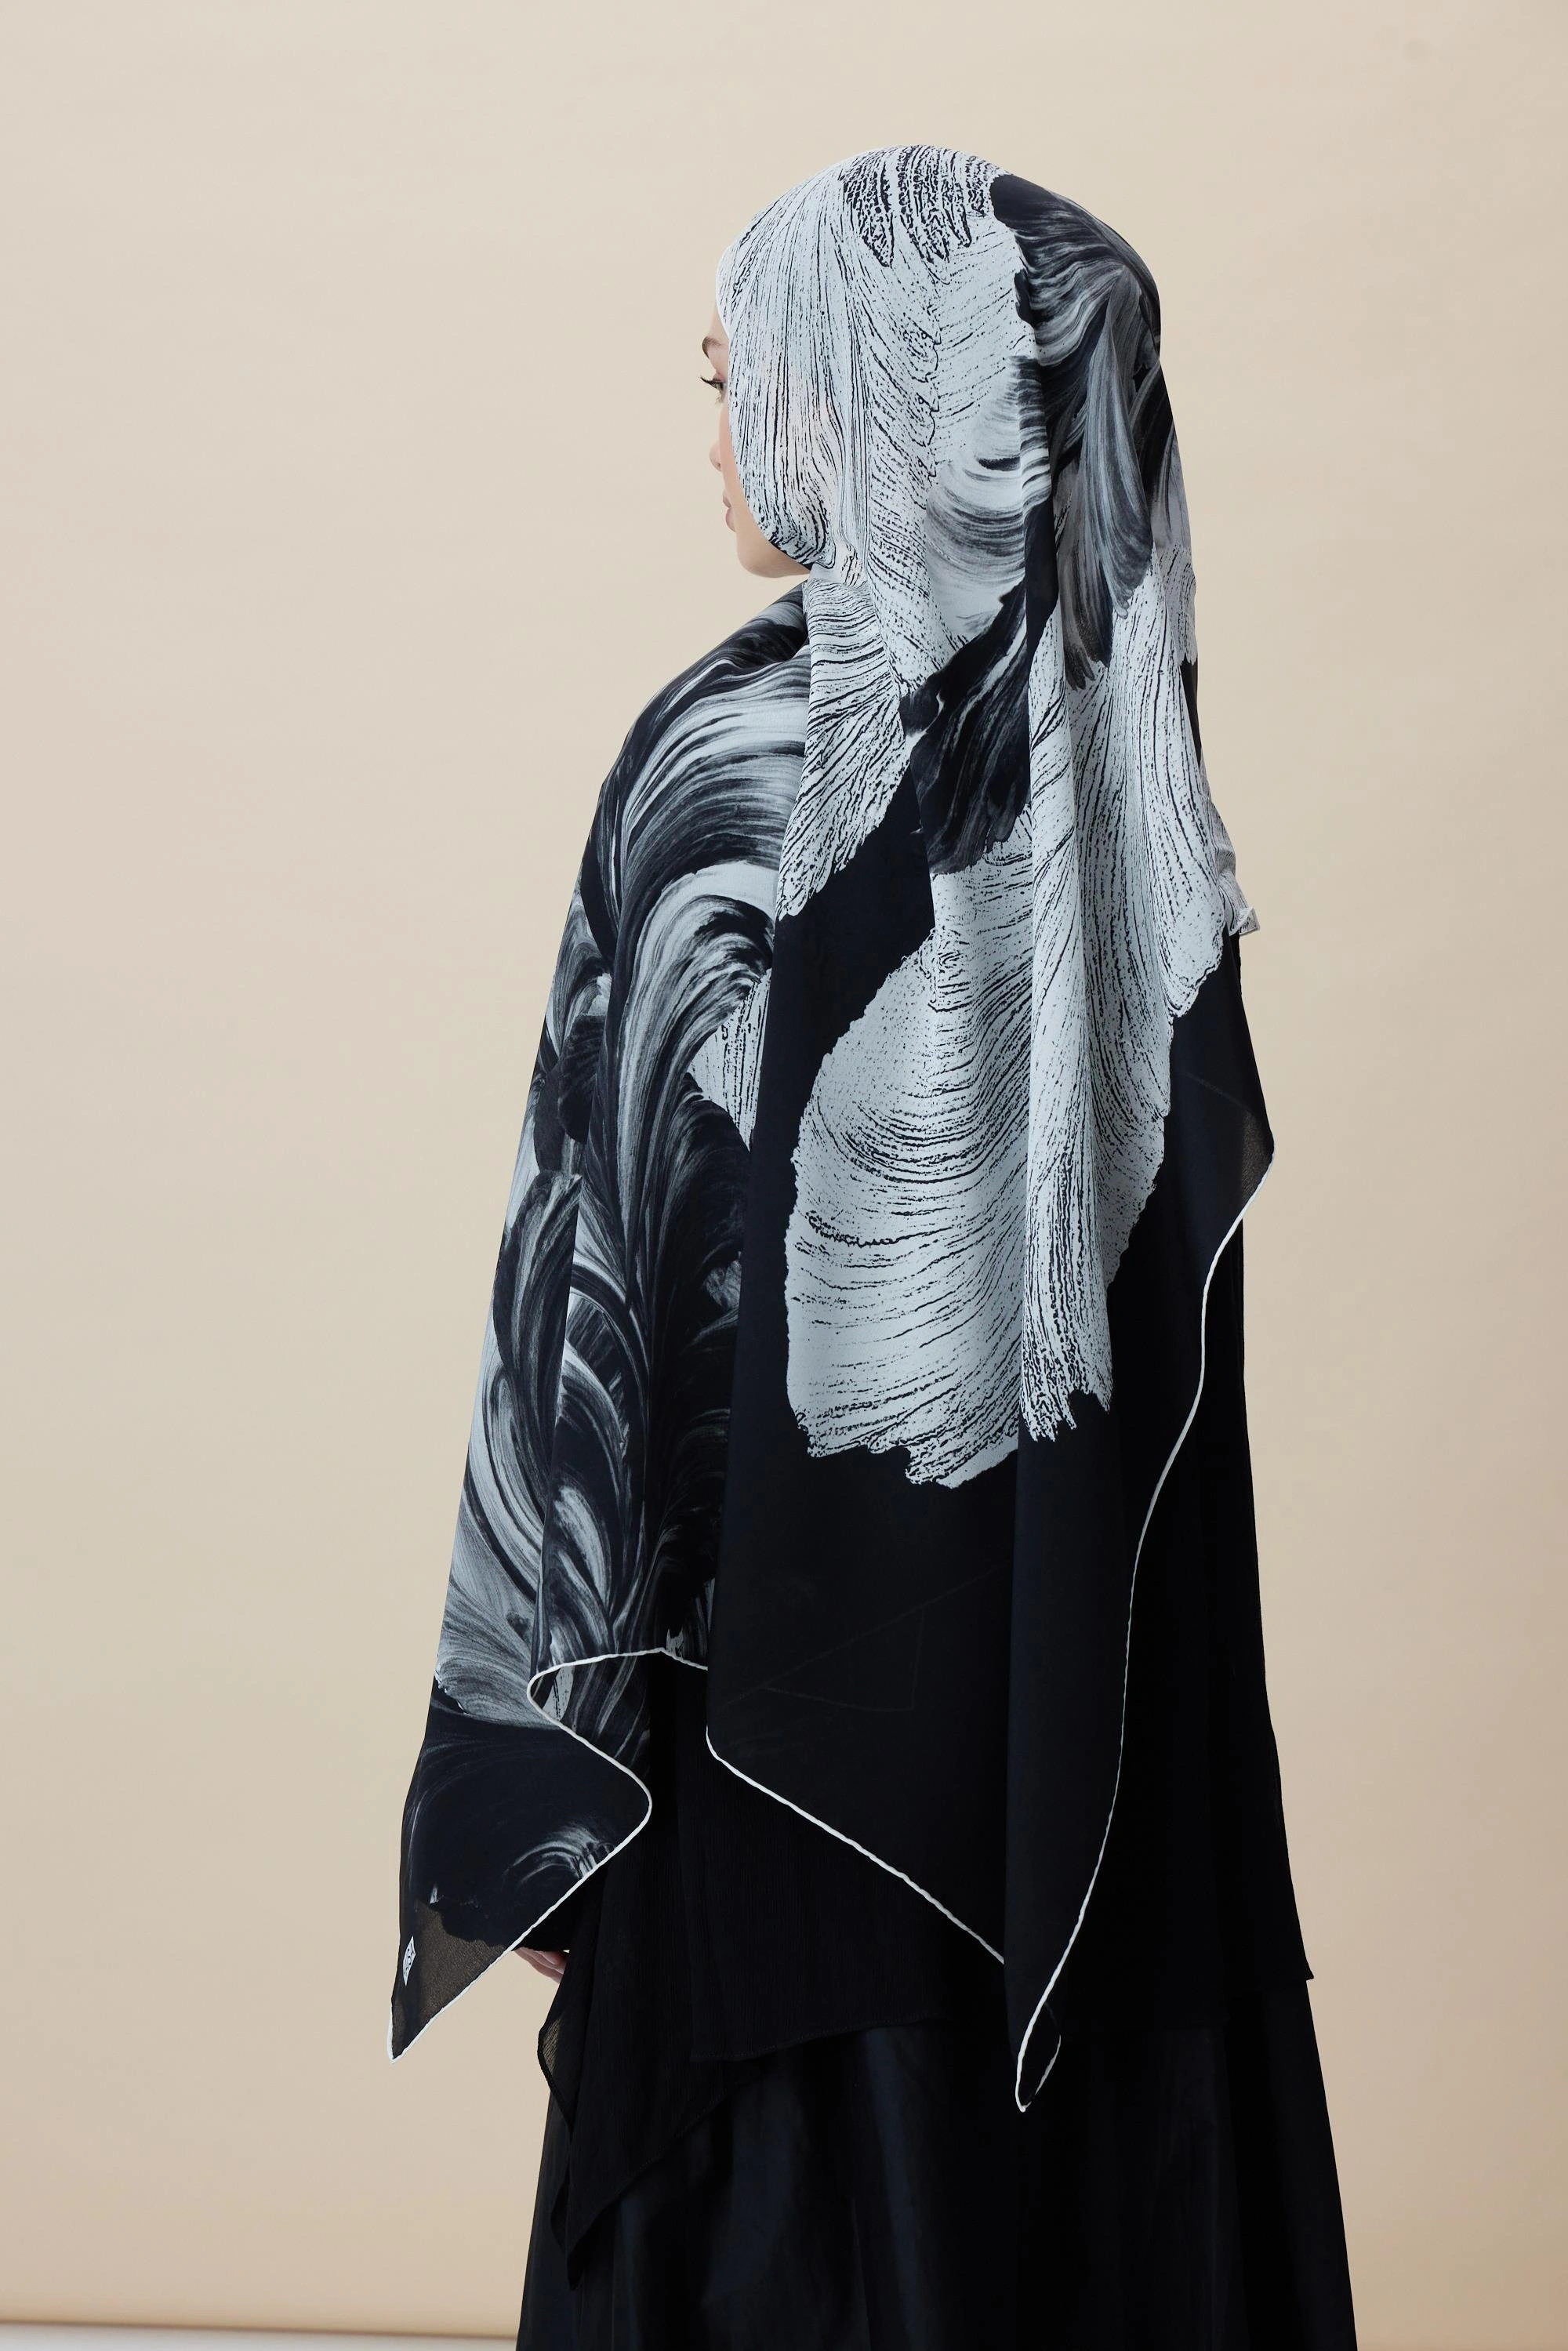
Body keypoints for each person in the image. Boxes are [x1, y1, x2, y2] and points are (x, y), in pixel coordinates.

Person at [390, 145, 1359, 2349]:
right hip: (1089, 1695)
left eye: (755, 364)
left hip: (775, 1712)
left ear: (879, 389)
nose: (723, 415)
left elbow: (612, 1296)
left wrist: (573, 1717)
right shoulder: (1125, 774)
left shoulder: (724, 756)